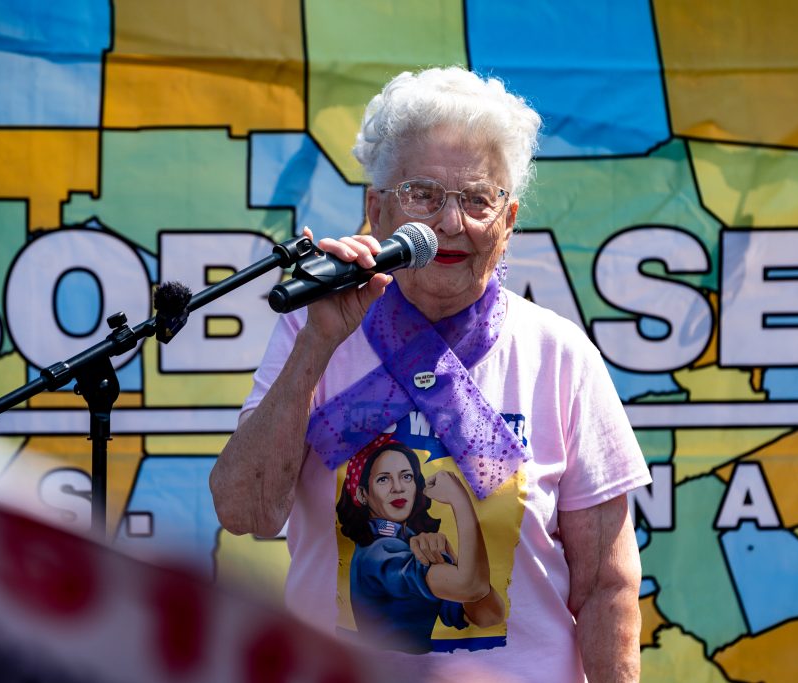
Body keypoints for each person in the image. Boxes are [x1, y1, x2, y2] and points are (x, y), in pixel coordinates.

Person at [210, 66, 651, 682]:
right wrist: (318, 343)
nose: (450, 223)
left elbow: (607, 586)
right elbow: (245, 512)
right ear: (376, 208)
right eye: (423, 194)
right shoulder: (312, 333)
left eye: (478, 200)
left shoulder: (559, 355)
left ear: (510, 220)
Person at [337, 438, 503, 654]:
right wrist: (460, 500)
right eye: (383, 479)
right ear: (362, 494)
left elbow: (490, 616)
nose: (398, 488)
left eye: (406, 477)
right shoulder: (378, 551)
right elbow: (471, 587)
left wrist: (450, 560)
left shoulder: (410, 542)